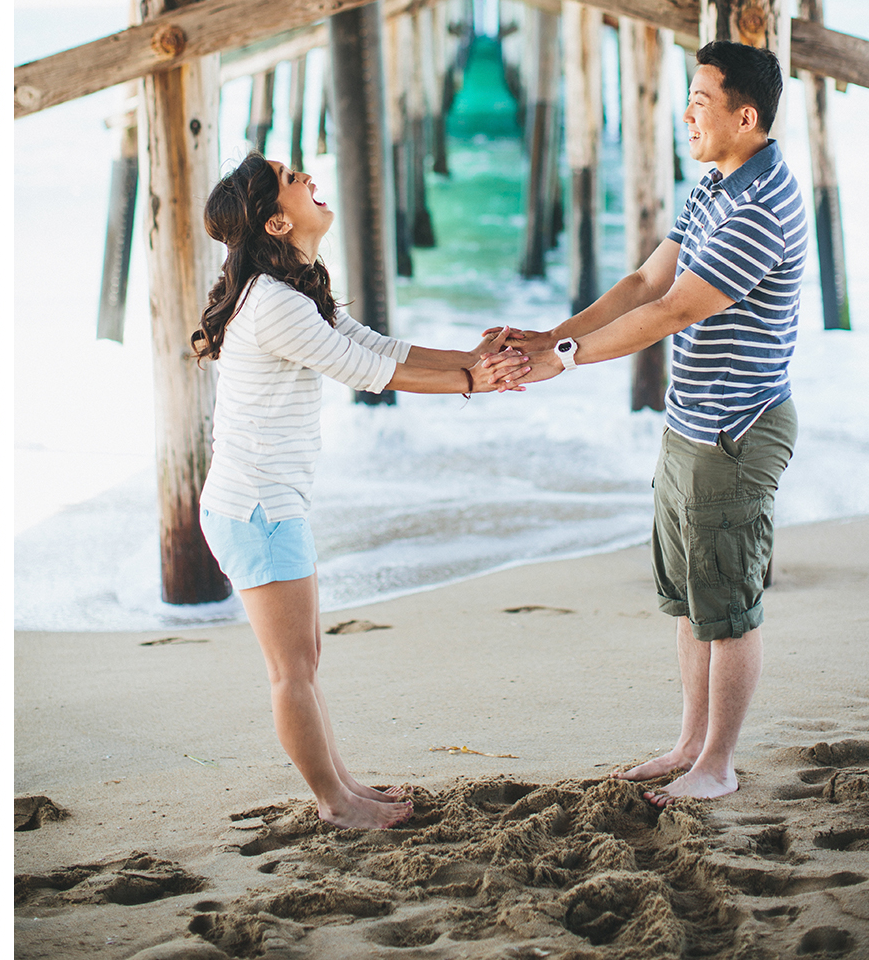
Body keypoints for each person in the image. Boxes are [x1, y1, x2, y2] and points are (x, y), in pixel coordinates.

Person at [506, 41, 805, 805]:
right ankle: (689, 744)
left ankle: (719, 763)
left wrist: (564, 362)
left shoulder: (763, 204)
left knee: (729, 611)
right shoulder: (716, 183)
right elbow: (646, 279)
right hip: (689, 426)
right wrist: (550, 337)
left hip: (734, 432)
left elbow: (671, 312)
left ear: (746, 115)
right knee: (690, 600)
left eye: (701, 101)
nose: (687, 114)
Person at [193, 153, 530, 830]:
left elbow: (382, 347)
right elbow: (369, 374)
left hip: (268, 503)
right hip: (255, 508)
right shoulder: (276, 305)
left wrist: (471, 357)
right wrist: (475, 383)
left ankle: (342, 784)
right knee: (292, 670)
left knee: (306, 660)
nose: (309, 178)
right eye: (293, 178)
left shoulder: (293, 290)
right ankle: (333, 803)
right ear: (278, 218)